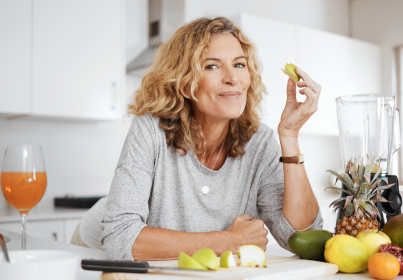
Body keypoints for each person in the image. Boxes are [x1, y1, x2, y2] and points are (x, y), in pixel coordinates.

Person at [81, 16, 322, 261]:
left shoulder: (260, 142)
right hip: (92, 246)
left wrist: (289, 136)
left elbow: (303, 238)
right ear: (185, 83)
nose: (232, 78)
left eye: (239, 64)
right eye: (212, 66)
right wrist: (229, 241)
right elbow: (119, 238)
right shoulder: (150, 129)